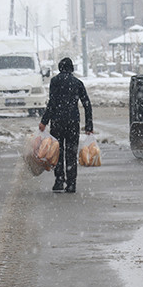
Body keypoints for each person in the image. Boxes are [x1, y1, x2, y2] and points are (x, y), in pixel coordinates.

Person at [39, 57, 93, 193]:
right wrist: (89, 125)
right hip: (73, 122)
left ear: (60, 68)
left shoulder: (55, 81)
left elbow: (52, 103)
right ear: (72, 68)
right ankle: (71, 184)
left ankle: (59, 181)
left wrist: (44, 121)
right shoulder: (77, 83)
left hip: (57, 122)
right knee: (71, 153)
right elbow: (87, 104)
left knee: (57, 152)